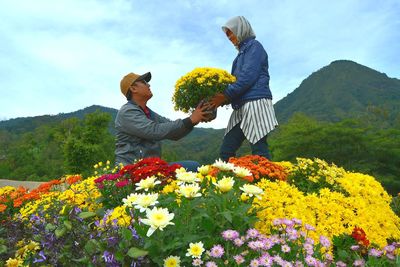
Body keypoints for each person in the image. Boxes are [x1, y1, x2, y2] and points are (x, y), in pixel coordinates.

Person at [210, 16, 278, 162]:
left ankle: (269, 183)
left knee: (259, 149)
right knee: (226, 150)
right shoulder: (240, 55)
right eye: (227, 34)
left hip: (256, 102)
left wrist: (226, 95)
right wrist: (220, 98)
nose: (229, 37)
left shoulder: (254, 46)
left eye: (231, 32)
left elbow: (247, 77)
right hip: (241, 105)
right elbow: (237, 82)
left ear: (240, 29)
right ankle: (228, 183)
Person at [115, 71, 211, 171]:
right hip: (131, 170)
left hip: (151, 169)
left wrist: (195, 119)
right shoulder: (127, 112)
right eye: (144, 82)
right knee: (194, 167)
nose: (148, 84)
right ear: (133, 88)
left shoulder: (149, 113)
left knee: (194, 167)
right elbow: (154, 131)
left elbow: (174, 134)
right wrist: (190, 120)